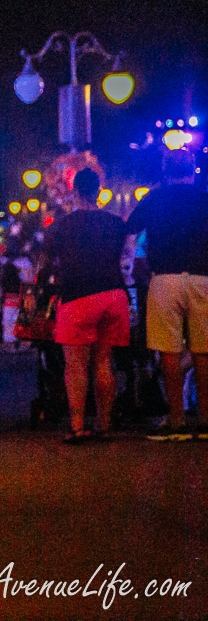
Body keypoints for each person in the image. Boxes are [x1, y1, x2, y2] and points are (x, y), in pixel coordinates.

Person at [39, 168, 129, 443]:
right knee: (104, 362)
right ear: (98, 190)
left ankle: (77, 425)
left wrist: (41, 287)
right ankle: (104, 423)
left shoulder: (61, 226)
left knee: (76, 366)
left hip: (78, 296)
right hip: (113, 295)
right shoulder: (115, 223)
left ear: (75, 191)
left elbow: (45, 263)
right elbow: (122, 257)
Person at [125, 148, 208, 440]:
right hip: (202, 278)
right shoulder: (204, 197)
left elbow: (130, 229)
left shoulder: (155, 198)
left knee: (169, 351)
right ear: (193, 169)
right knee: (203, 351)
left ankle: (176, 421)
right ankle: (205, 420)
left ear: (165, 170)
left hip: (165, 279)